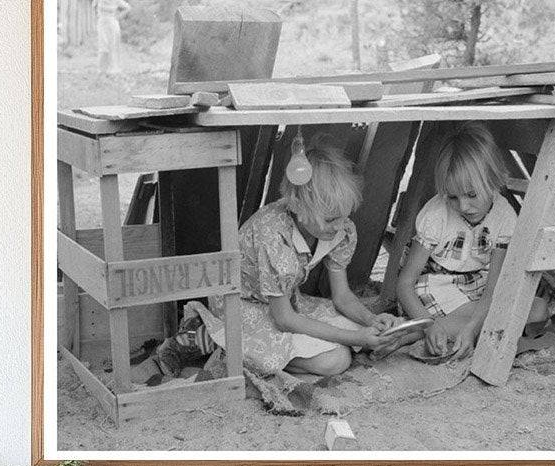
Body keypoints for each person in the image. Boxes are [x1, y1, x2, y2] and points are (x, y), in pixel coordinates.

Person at [155, 140, 396, 380]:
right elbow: (284, 319)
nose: (340, 225)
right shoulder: (273, 236)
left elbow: (342, 297)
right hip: (241, 304)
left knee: (368, 333)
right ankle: (211, 336)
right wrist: (356, 338)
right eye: (331, 219)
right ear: (298, 207)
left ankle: (226, 342)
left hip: (283, 301)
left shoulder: (340, 230)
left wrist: (371, 320)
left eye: (344, 216)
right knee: (337, 359)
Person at [395, 122, 547, 359]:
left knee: (538, 309)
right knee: (503, 317)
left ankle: (424, 331)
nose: (463, 206)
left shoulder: (505, 217)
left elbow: (492, 288)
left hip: (477, 285)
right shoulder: (436, 216)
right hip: (437, 285)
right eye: (453, 197)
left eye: (471, 194)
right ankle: (422, 331)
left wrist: (471, 327)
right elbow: (404, 284)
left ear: (493, 180)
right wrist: (429, 323)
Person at [93, 0, 130, 74]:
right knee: (103, 46)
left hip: (112, 23)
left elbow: (127, 8)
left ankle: (113, 69)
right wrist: (97, 16)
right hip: (102, 23)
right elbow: (94, 7)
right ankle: (102, 69)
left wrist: (118, 17)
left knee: (113, 45)